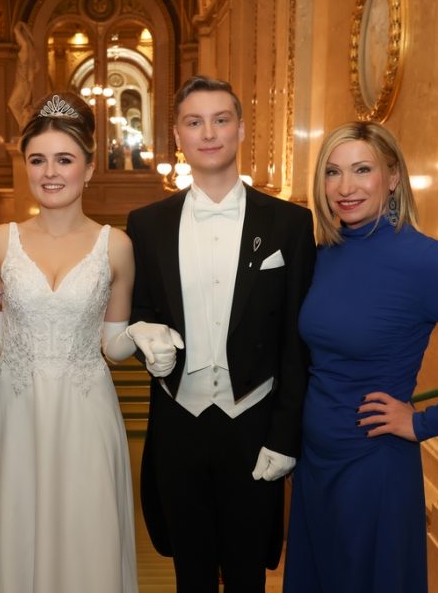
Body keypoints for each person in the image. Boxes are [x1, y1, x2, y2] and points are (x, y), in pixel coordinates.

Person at [282, 121, 438, 592]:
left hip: (372, 465)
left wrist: (421, 424)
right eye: (333, 173)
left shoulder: (422, 259)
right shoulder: (323, 252)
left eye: (362, 170)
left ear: (393, 176)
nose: (345, 187)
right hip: (314, 463)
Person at [0, 92, 156, 593]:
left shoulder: (118, 246)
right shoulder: (1, 240)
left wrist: (145, 334)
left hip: (85, 412)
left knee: (87, 531)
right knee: (14, 530)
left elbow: (113, 345)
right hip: (16, 412)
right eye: (37, 160)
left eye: (64, 159)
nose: (50, 172)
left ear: (88, 168)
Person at [126, 75, 317, 592]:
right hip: (178, 423)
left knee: (247, 573)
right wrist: (147, 341)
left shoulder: (289, 225)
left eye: (220, 119)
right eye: (194, 122)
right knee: (189, 573)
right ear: (177, 136)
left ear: (240, 129)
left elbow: (297, 346)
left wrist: (285, 435)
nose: (207, 132)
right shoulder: (146, 225)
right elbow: (139, 311)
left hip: (252, 423)